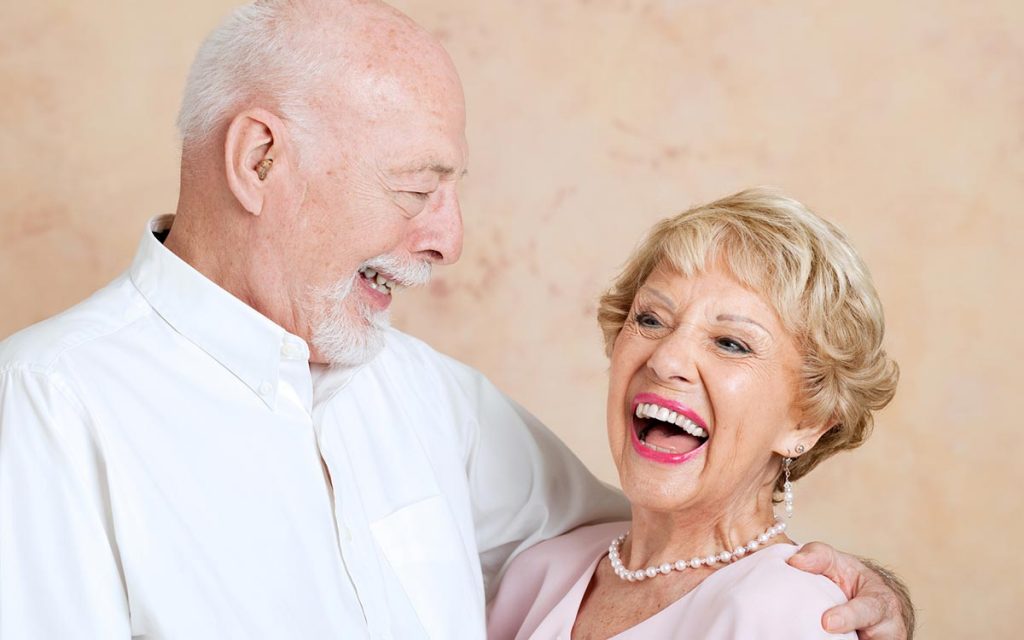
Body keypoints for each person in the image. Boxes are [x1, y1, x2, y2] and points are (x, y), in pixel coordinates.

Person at [0, 1, 910, 638]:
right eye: (415, 188)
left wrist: (857, 595)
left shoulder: (428, 395)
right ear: (259, 160)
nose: (448, 241)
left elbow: (665, 545)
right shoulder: (50, 405)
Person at [487, 188, 909, 639]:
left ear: (806, 421)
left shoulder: (791, 611)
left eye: (731, 343)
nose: (665, 359)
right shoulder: (539, 574)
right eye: (651, 319)